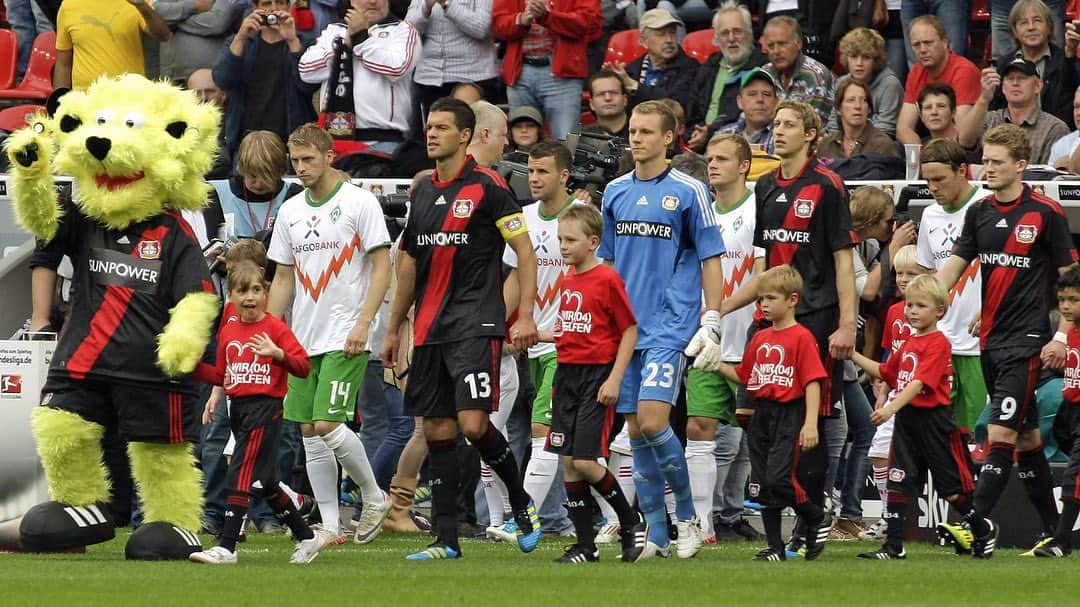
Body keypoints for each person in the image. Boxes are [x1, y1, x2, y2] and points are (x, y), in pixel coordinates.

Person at [382, 97, 543, 560]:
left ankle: (520, 502)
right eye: (428, 125)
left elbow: (525, 253)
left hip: (476, 322)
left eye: (441, 127)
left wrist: (526, 313)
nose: (431, 133)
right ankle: (446, 540)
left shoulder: (490, 187)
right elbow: (410, 261)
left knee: (474, 425)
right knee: (435, 429)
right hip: (430, 326)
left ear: (465, 136)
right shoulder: (423, 191)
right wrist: (395, 328)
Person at [721, 99, 856, 557]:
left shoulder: (827, 185)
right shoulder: (764, 187)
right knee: (762, 420)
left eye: (789, 125)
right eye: (776, 124)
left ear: (811, 133)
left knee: (813, 420)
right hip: (769, 320)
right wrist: (721, 308)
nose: (778, 132)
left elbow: (843, 260)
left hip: (816, 318)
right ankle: (793, 522)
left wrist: (845, 325)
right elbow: (764, 266)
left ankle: (813, 516)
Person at [936, 123, 1078, 558]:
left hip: (1029, 340)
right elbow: (956, 264)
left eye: (998, 162)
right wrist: (925, 299)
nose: (988, 169)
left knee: (999, 430)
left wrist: (1060, 336)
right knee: (1027, 439)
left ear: (1020, 166)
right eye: (986, 161)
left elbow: (1070, 282)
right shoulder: (979, 213)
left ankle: (977, 525)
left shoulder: (1045, 213)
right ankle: (1055, 533)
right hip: (991, 338)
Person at [600, 100, 726, 561]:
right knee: (636, 434)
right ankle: (655, 535)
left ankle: (688, 518)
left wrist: (712, 318)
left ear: (668, 138)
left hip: (670, 323)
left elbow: (712, 257)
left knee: (654, 421)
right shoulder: (614, 191)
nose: (636, 138)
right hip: (625, 329)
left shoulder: (691, 192)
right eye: (633, 130)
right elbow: (608, 263)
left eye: (647, 132)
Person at [266, 124, 393, 544]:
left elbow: (382, 266)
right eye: (295, 161)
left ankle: (375, 496)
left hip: (345, 332)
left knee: (327, 423)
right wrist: (270, 330)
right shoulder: (290, 211)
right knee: (306, 429)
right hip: (303, 336)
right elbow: (283, 277)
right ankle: (332, 525)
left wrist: (364, 322)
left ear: (329, 156)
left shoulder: (360, 203)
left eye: (308, 160)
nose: (300, 169)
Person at [187, 261, 329, 564]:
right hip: (238, 410)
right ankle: (308, 537)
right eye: (242, 291)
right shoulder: (228, 331)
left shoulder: (275, 328)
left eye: (256, 290)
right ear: (231, 295)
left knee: (239, 472)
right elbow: (223, 377)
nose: (250, 297)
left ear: (265, 292)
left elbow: (302, 366)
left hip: (266, 409)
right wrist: (193, 368)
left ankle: (227, 546)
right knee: (264, 482)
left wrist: (278, 354)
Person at [849, 274, 979, 560]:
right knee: (897, 479)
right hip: (907, 423)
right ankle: (893, 547)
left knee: (950, 489)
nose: (912, 311)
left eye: (921, 306)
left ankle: (981, 527)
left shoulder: (938, 343)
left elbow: (919, 383)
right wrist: (853, 355)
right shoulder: (908, 341)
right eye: (909, 305)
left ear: (939, 311)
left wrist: (889, 409)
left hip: (935, 422)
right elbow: (887, 371)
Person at [543, 203, 643, 563]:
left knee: (585, 461)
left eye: (570, 240)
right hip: (566, 374)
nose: (563, 246)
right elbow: (570, 328)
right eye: (559, 239)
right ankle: (586, 545)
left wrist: (615, 378)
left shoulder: (607, 279)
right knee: (568, 462)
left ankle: (630, 524)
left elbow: (629, 330)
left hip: (596, 375)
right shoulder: (567, 279)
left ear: (594, 242)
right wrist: (534, 334)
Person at [708, 265, 828, 562]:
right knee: (762, 485)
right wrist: (714, 363)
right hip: (762, 414)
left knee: (779, 479)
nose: (763, 304)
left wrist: (810, 422)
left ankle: (816, 517)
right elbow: (746, 375)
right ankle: (776, 547)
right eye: (761, 299)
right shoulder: (760, 338)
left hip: (790, 413)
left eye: (771, 298)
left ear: (792, 300)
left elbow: (813, 380)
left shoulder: (801, 337)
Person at [684, 133, 760, 543]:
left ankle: (739, 512)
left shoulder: (757, 210)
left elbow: (767, 274)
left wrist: (723, 307)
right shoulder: (701, 215)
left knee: (754, 432)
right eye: (710, 159)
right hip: (710, 339)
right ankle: (703, 524)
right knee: (700, 426)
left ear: (745, 165)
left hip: (752, 339)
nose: (713, 166)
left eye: (723, 159)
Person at [503, 140, 581, 534]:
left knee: (542, 431)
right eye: (530, 171)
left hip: (567, 344)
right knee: (558, 444)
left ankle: (524, 520)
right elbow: (516, 278)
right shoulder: (523, 219)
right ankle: (574, 519)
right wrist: (503, 327)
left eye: (543, 171)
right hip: (531, 341)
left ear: (564, 175)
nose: (533, 178)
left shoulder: (584, 218)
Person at [916, 138, 991, 437]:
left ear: (962, 171)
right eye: (928, 180)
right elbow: (927, 274)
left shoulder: (987, 206)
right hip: (941, 342)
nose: (932, 187)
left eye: (939, 179)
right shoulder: (929, 215)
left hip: (977, 343)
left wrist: (991, 311)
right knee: (941, 436)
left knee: (978, 436)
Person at [300, 0, 422, 157]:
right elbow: (306, 71)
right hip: (333, 141)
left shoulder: (403, 30)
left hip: (384, 141)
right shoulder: (334, 30)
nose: (372, 2)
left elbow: (397, 68)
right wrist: (344, 45)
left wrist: (361, 39)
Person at [213, 0, 317, 156]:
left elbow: (307, 86)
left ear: (288, 7)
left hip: (292, 140)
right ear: (255, 8)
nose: (273, 9)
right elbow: (223, 80)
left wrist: (292, 40)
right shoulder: (241, 42)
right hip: (246, 138)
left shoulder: (305, 43)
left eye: (280, 3)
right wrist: (241, 36)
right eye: (267, 4)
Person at [492, 0, 603, 141]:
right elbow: (497, 25)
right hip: (520, 73)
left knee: (565, 144)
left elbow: (589, 23)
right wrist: (520, 19)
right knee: (521, 144)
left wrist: (548, 17)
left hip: (563, 75)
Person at [1033, 266, 1080, 557]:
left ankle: (1061, 541)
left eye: (1074, 299)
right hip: (1071, 413)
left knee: (1074, 477)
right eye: (1062, 299)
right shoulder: (1070, 335)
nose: (1065, 306)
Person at [685, 1, 768, 151]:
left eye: (737, 31)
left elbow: (745, 114)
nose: (731, 38)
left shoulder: (762, 67)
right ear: (717, 38)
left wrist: (710, 132)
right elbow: (691, 109)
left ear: (750, 33)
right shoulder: (709, 66)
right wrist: (694, 133)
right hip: (701, 144)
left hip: (738, 145)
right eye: (724, 33)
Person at [957, 57, 1069, 165]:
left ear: (1038, 86)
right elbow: (965, 140)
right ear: (1003, 87)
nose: (1015, 83)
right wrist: (984, 99)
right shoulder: (989, 119)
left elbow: (1054, 175)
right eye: (1010, 78)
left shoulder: (1054, 128)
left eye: (1022, 78)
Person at [405, 0, 499, 123]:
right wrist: (425, 8)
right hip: (429, 77)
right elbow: (408, 30)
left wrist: (447, 4)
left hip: (473, 76)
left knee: (474, 134)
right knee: (434, 134)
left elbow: (481, 29)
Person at [896, 15, 981, 145]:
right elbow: (903, 128)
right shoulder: (917, 71)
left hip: (960, 147)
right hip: (930, 142)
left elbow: (962, 133)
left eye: (928, 43)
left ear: (945, 42)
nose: (923, 50)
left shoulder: (964, 70)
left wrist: (935, 156)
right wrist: (918, 154)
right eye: (916, 45)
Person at [991, 0, 1076, 128]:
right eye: (1023, 22)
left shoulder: (1066, 61)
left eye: (1037, 20)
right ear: (1015, 31)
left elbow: (1070, 99)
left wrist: (1070, 56)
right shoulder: (1004, 65)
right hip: (1013, 137)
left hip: (1056, 136)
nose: (1031, 27)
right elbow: (995, 111)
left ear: (1049, 27)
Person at [54, 0, 171, 90]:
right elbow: (63, 63)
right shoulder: (68, 6)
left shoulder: (136, 4)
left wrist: (143, 7)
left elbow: (163, 35)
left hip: (128, 95)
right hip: (86, 100)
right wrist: (58, 104)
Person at [609, 9, 699, 113]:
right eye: (661, 34)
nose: (669, 40)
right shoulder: (633, 69)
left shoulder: (690, 67)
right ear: (643, 41)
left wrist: (634, 86)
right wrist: (610, 83)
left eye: (673, 33)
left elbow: (673, 104)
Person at [760, 15, 834, 127]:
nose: (776, 51)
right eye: (771, 45)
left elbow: (812, 129)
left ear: (799, 43)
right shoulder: (764, 74)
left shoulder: (816, 76)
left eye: (782, 44)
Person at [829, 27, 903, 137]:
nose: (859, 63)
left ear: (876, 60)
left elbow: (886, 128)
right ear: (846, 58)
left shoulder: (890, 84)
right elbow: (834, 124)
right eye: (854, 57)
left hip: (878, 145)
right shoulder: (841, 83)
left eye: (866, 57)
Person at [816, 79, 901, 161]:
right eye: (851, 100)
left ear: (869, 109)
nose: (858, 106)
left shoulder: (881, 144)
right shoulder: (826, 145)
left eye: (863, 100)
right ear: (838, 109)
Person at [155, 0, 233, 82]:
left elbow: (217, 24)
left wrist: (174, 21)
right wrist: (195, 6)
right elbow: (156, 10)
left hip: (217, 75)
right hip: (178, 77)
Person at [714, 68, 779, 154]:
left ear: (776, 102)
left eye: (766, 94)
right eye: (752, 94)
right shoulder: (723, 135)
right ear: (739, 101)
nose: (760, 99)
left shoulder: (782, 138)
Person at [583, 70, 630, 139]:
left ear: (625, 99)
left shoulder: (642, 131)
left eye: (613, 93)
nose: (608, 98)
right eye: (601, 94)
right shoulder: (583, 138)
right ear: (591, 104)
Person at [1049, 86, 1080, 171]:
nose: (1078, 113)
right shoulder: (1061, 145)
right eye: (1076, 107)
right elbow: (1049, 181)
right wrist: (1056, 169)